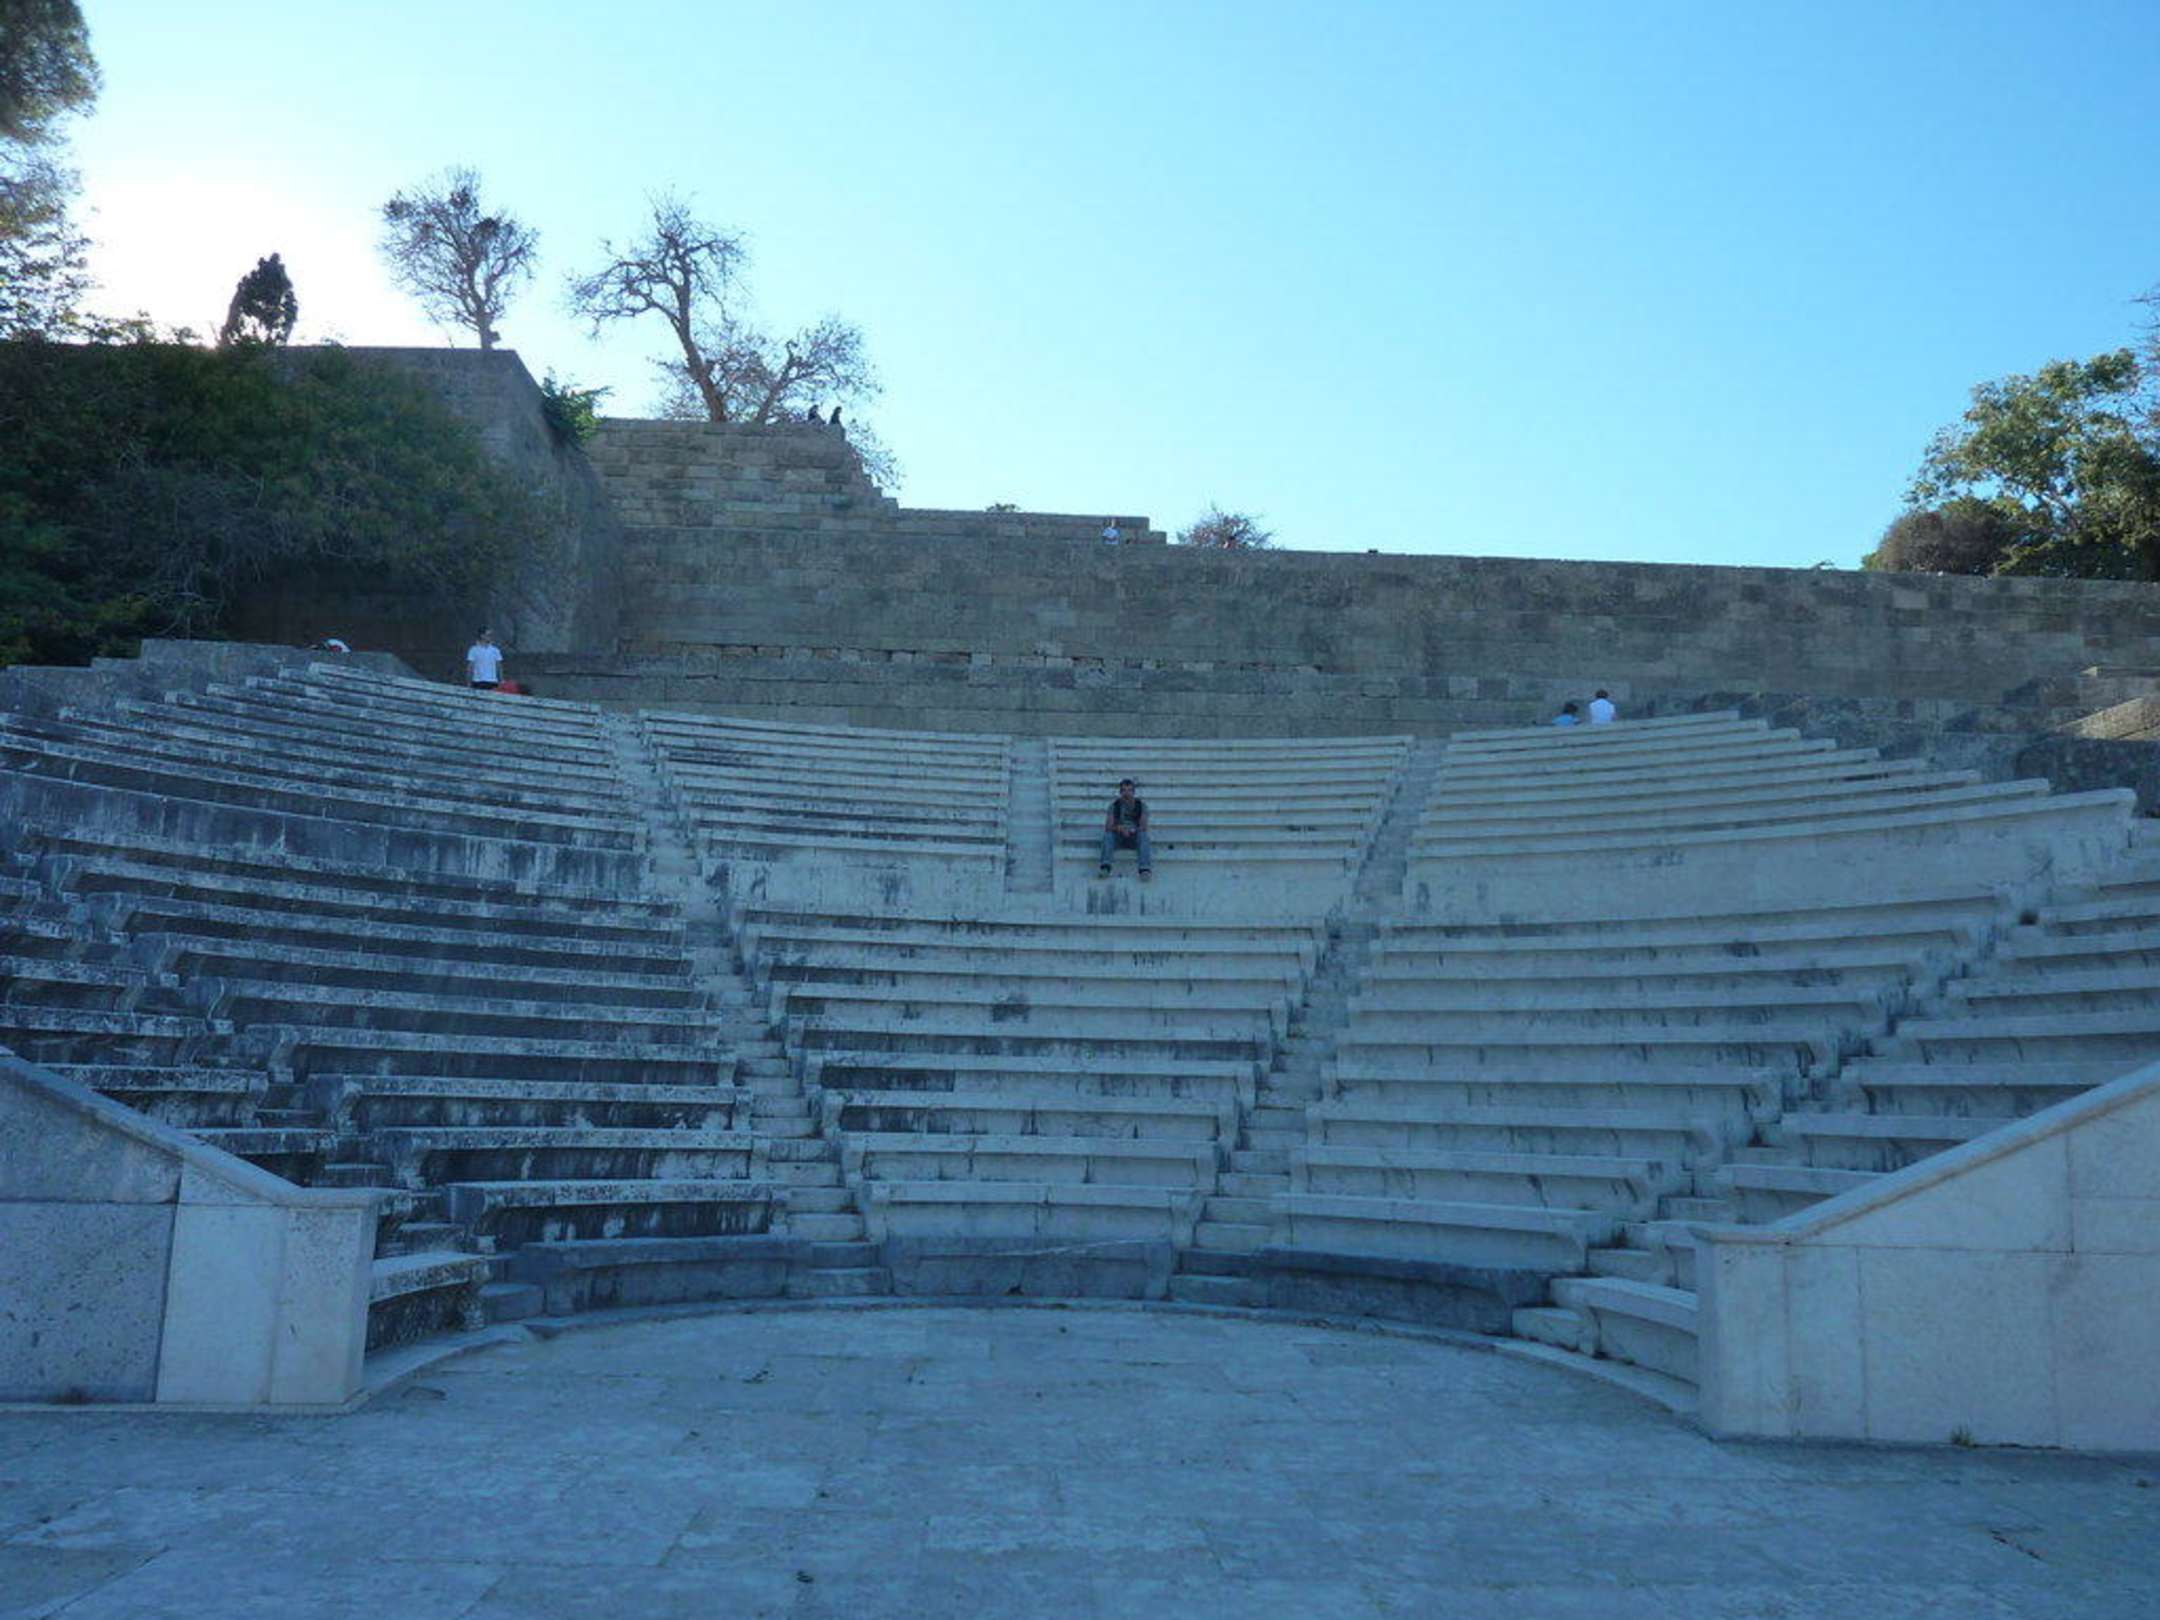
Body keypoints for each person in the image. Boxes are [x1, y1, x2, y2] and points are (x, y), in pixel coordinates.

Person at [1099, 778, 1152, 880]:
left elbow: (1143, 827)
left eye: (1129, 790)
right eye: (1124, 790)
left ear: (1133, 792)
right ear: (1120, 792)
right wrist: (1119, 828)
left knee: (1144, 836)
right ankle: (1105, 867)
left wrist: (1132, 830)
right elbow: (1108, 827)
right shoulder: (1114, 806)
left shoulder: (1141, 806)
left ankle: (1144, 869)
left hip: (1134, 836)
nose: (1127, 793)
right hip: (1118, 836)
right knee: (1108, 835)